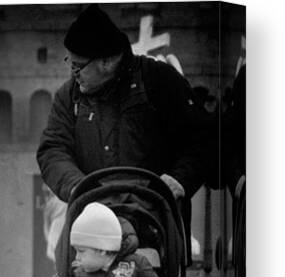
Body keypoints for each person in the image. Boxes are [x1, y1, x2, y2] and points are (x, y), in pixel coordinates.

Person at [36, 4, 211, 258]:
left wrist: (179, 181)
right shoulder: (68, 96)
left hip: (154, 229)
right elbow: (53, 149)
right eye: (70, 63)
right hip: (92, 231)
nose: (73, 74)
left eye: (78, 66)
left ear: (107, 61)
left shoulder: (159, 81)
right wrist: (77, 187)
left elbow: (202, 138)